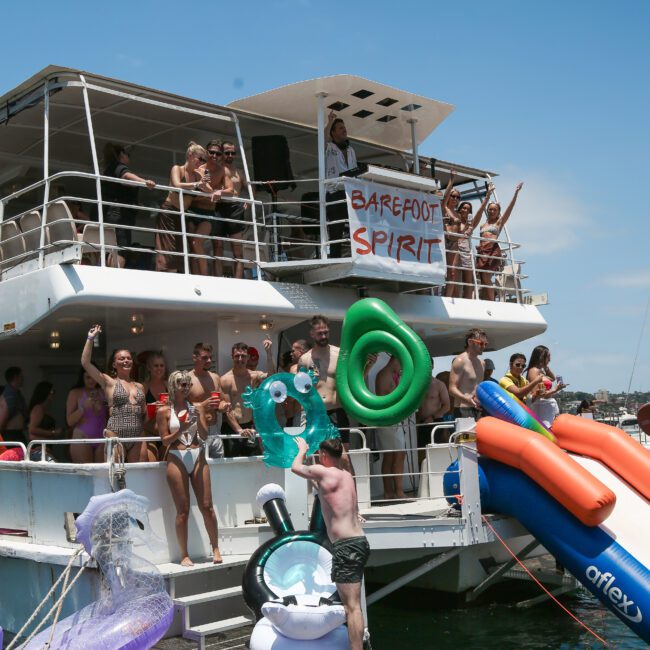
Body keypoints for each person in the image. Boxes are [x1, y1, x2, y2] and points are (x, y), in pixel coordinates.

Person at [291, 437, 369, 650]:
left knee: (352, 607)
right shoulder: (346, 475)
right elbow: (326, 493)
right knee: (352, 605)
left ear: (324, 455)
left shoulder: (324, 472)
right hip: (357, 543)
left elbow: (295, 467)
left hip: (347, 546)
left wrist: (302, 450)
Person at [158, 370, 222, 566]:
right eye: (182, 384)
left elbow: (203, 436)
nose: (186, 388)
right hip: (176, 455)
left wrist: (198, 419)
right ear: (173, 386)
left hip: (197, 454)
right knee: (182, 510)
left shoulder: (196, 407)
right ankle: (184, 554)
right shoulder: (164, 411)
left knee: (207, 506)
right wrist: (184, 427)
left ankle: (215, 548)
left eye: (188, 384)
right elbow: (164, 440)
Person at [82, 325, 153, 463]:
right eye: (121, 359)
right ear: (114, 364)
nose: (126, 360)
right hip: (115, 433)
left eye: (128, 358)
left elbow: (144, 414)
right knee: (115, 475)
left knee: (139, 474)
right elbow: (85, 363)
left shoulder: (139, 386)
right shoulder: (109, 382)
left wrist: (157, 409)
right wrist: (90, 338)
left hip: (137, 435)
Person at [156, 142, 213, 274]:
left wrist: (205, 178)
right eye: (200, 159)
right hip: (169, 212)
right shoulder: (178, 168)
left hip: (182, 215)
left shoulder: (197, 174)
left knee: (179, 251)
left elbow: (209, 191)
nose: (202, 162)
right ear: (190, 155)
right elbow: (176, 184)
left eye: (204, 160)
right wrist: (197, 184)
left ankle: (175, 277)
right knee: (167, 251)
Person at [297, 315, 350, 446]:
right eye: (320, 334)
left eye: (326, 333)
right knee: (316, 456)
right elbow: (299, 390)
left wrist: (369, 365)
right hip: (314, 413)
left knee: (344, 457)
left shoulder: (340, 354)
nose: (324, 337)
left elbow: (352, 380)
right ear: (312, 334)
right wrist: (309, 381)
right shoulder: (305, 359)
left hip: (336, 411)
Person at [101, 143, 156, 268]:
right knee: (122, 248)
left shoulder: (109, 169)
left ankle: (110, 273)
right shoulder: (118, 167)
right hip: (120, 214)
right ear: (121, 154)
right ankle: (116, 275)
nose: (128, 157)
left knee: (114, 247)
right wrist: (144, 182)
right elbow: (126, 176)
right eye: (128, 154)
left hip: (111, 212)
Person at [219, 340, 274, 457]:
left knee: (253, 459)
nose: (240, 359)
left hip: (249, 427)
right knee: (232, 464)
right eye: (237, 356)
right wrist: (239, 430)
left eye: (243, 356)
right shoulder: (225, 379)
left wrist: (269, 353)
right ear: (232, 357)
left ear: (248, 357)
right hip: (231, 428)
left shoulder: (253, 376)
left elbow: (272, 376)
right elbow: (227, 410)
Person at [476, 182, 523, 301]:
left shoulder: (498, 223)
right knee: (482, 279)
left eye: (495, 210)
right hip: (482, 252)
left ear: (498, 212)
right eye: (490, 210)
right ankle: (487, 299)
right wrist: (488, 195)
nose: (492, 212)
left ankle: (491, 300)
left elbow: (509, 209)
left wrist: (516, 193)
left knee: (486, 278)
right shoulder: (482, 225)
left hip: (492, 251)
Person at [188, 342, 231, 459]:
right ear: (194, 358)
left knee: (219, 466)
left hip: (215, 429)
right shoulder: (187, 379)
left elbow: (220, 401)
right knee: (199, 466)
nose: (209, 361)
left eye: (210, 357)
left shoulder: (215, 377)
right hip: (196, 429)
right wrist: (202, 405)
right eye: (205, 358)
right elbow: (181, 408)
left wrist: (223, 406)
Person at [374, 356, 408, 501]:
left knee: (392, 455)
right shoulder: (384, 375)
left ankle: (391, 492)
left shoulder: (391, 375)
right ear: (395, 360)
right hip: (389, 420)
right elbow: (383, 399)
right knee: (395, 455)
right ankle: (396, 492)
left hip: (393, 420)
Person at [325, 111, 357, 258]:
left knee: (354, 226)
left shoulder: (351, 150)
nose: (344, 130)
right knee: (336, 229)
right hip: (333, 193)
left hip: (349, 193)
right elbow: (323, 137)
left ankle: (356, 255)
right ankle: (335, 258)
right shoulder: (329, 147)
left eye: (344, 127)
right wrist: (330, 121)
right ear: (333, 132)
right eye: (340, 128)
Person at [215, 141, 247, 279]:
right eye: (227, 152)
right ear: (221, 153)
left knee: (237, 249)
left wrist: (249, 202)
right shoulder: (216, 169)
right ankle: (217, 278)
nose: (229, 155)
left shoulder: (238, 172)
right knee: (218, 246)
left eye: (232, 153)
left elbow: (251, 189)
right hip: (218, 207)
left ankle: (238, 280)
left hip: (235, 208)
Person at [67, 366, 108, 463]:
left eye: (94, 377)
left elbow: (109, 416)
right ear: (82, 378)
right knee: (85, 474)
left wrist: (101, 406)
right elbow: (69, 421)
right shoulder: (75, 393)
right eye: (88, 377)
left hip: (101, 438)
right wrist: (82, 408)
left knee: (101, 474)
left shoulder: (104, 392)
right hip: (82, 436)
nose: (91, 380)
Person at [448, 329, 488, 419]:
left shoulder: (482, 363)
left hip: (479, 409)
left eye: (486, 344)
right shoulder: (460, 361)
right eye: (481, 343)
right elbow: (452, 389)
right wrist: (467, 399)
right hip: (463, 409)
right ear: (470, 342)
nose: (483, 347)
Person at [526, 345, 566, 427]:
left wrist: (545, 367)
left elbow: (552, 378)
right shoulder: (534, 371)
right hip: (541, 410)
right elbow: (537, 394)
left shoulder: (540, 371)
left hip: (546, 409)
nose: (550, 360)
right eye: (548, 357)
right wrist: (555, 389)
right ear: (541, 357)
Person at [417, 362, 451, 450]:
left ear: (432, 366)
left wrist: (432, 417)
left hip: (435, 422)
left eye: (428, 365)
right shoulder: (416, 385)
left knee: (436, 451)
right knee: (421, 451)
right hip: (420, 423)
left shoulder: (439, 385)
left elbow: (447, 405)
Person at [28, 381, 63, 460]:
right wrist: (53, 432)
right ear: (45, 392)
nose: (54, 394)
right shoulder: (38, 408)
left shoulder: (45, 409)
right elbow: (32, 429)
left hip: (45, 446)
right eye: (52, 391)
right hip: (39, 447)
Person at [142, 351, 169, 457]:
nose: (159, 368)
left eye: (161, 365)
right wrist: (152, 408)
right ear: (149, 368)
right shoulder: (143, 387)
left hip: (167, 434)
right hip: (149, 434)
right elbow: (140, 418)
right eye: (155, 366)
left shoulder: (169, 385)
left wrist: (169, 405)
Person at [0, 366, 27, 445]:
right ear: (16, 377)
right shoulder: (9, 394)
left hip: (16, 435)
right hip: (10, 436)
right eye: (21, 376)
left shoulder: (16, 393)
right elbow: (2, 417)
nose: (23, 379)